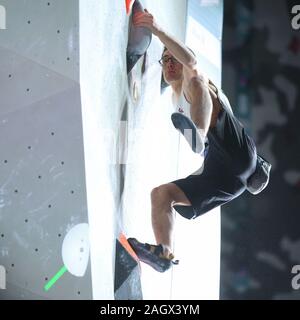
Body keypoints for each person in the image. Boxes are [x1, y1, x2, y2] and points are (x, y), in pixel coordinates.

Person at [127, 9, 271, 273]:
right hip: (223, 177)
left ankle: (199, 133)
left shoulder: (193, 79)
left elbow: (191, 61)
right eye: (165, 61)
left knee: (196, 82)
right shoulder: (172, 98)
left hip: (236, 151)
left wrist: (157, 29)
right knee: (161, 195)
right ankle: (164, 254)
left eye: (174, 59)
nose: (170, 64)